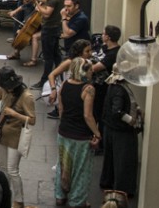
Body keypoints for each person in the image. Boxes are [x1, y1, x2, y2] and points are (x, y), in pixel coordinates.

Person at [0, 66, 35, 208]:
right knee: (3, 167)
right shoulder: (4, 90)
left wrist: (14, 113)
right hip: (1, 134)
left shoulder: (26, 97)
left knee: (13, 170)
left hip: (16, 137)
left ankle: (18, 199)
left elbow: (32, 120)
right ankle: (5, 192)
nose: (6, 89)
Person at [55, 58, 101, 208]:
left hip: (64, 132)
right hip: (81, 136)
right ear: (83, 71)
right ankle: (77, 200)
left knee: (63, 164)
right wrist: (97, 133)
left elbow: (61, 109)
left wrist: (65, 124)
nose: (91, 72)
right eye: (89, 70)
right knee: (81, 168)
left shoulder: (64, 85)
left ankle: (60, 195)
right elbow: (87, 115)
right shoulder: (88, 89)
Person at [101, 67, 141, 197]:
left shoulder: (113, 87)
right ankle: (123, 188)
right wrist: (131, 120)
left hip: (111, 128)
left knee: (111, 158)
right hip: (121, 131)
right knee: (124, 161)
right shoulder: (120, 90)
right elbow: (117, 111)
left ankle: (108, 182)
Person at [35, 0, 67, 88]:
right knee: (56, 55)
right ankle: (60, 76)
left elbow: (47, 14)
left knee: (48, 57)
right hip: (56, 27)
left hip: (49, 29)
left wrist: (38, 5)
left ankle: (44, 81)